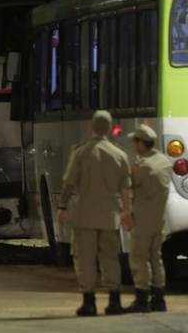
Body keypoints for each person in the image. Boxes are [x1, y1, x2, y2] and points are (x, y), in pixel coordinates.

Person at [57, 110, 132, 317]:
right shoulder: (120, 155)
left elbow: (69, 183)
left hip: (85, 215)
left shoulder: (81, 152)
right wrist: (126, 213)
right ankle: (114, 301)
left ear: (91, 127)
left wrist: (62, 206)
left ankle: (89, 302)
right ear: (109, 128)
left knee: (85, 258)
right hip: (110, 216)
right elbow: (125, 188)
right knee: (110, 258)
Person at [124, 124, 172, 313]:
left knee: (139, 259)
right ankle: (159, 300)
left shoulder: (144, 167)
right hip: (159, 219)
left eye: (135, 142)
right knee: (156, 258)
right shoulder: (164, 162)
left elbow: (129, 183)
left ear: (142, 144)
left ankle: (142, 300)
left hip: (142, 220)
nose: (134, 146)